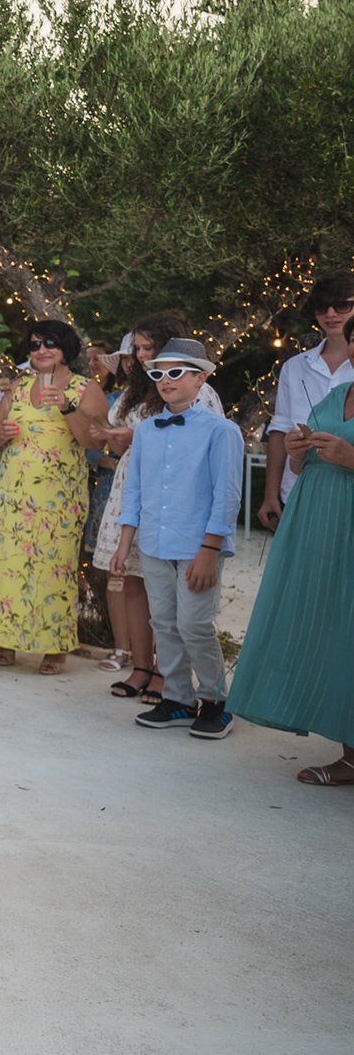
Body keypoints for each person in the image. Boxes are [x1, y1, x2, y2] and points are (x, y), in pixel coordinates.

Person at [229, 317, 354, 783]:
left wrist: (351, 458)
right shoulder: (335, 397)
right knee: (329, 629)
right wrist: (300, 451)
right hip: (318, 523)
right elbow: (302, 466)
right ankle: (349, 754)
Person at [110, 339, 243, 739]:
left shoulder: (222, 431)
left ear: (201, 378)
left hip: (198, 546)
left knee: (195, 624)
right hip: (154, 543)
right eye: (158, 373)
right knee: (164, 623)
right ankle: (178, 698)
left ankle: (216, 701)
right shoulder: (146, 431)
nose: (165, 380)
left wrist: (210, 550)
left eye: (176, 372)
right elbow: (134, 490)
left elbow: (227, 496)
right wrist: (124, 544)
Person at [89, 315, 224, 702]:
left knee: (172, 591)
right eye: (138, 349)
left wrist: (139, 435)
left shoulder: (199, 392)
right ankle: (142, 666)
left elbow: (199, 442)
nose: (141, 355)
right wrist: (117, 438)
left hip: (174, 491)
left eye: (150, 348)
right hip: (133, 485)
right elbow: (120, 448)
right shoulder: (135, 390)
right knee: (133, 581)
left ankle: (170, 673)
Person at [0, 320, 110, 674]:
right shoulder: (18, 385)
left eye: (49, 343)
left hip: (60, 498)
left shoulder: (86, 388)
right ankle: (6, 638)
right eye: (35, 345)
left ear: (66, 347)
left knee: (56, 569)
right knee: (9, 566)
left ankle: (54, 648)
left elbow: (96, 440)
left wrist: (68, 408)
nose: (41, 350)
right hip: (15, 494)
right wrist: (1, 432)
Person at [258, 270, 354, 530]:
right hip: (298, 491)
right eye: (321, 307)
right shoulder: (294, 367)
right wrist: (270, 495)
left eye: (342, 305)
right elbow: (279, 430)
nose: (331, 314)